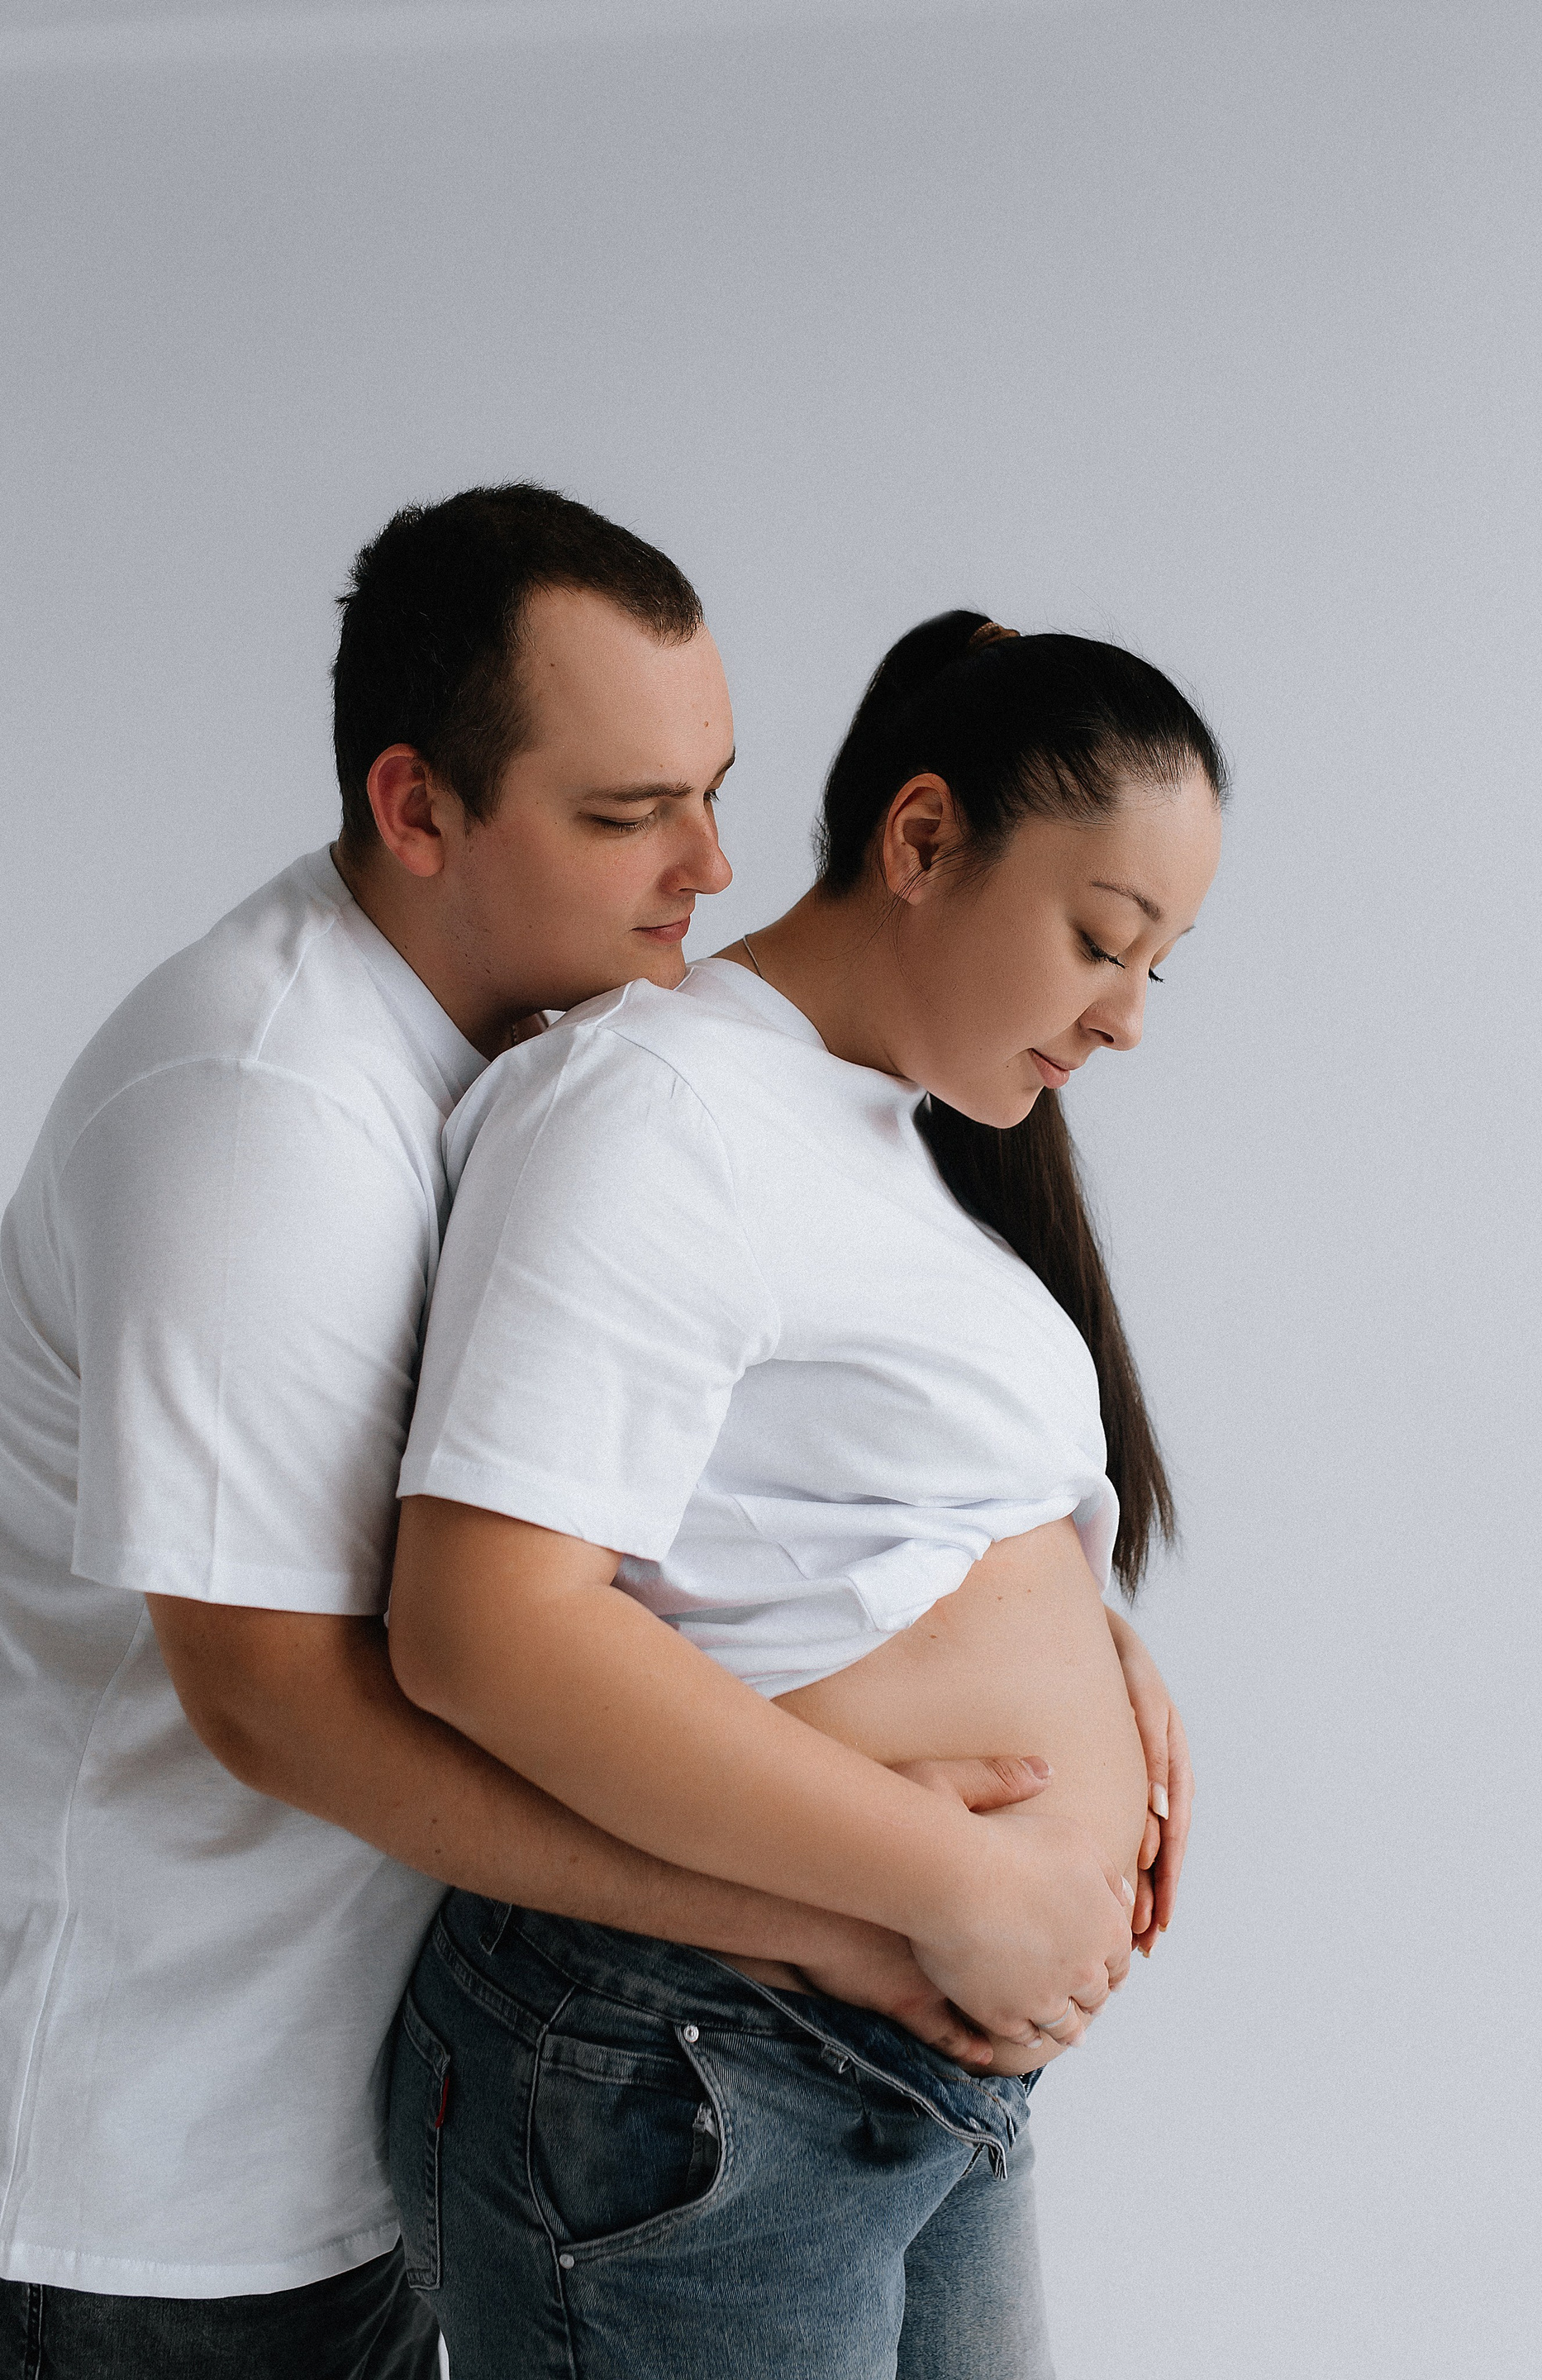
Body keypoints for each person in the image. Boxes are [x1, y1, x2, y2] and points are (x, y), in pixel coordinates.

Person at [0, 493, 1183, 2380]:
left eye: (713, 791)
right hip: (159, 2170)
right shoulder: (264, 1115)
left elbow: (676, 1488)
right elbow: (292, 1699)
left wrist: (1052, 1623)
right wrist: (860, 1904)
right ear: (417, 810)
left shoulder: (554, 1058)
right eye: (628, 814)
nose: (711, 864)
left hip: (357, 2097)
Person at [384, 610, 1223, 2377]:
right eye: (1101, 940)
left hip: (875, 2064)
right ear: (920, 839)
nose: (1130, 1019)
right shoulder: (648, 1104)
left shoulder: (879, 1138)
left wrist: (1088, 1641)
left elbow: (834, 1524)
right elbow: (481, 1627)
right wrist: (955, 1878)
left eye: (1162, 966)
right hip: (700, 2063)